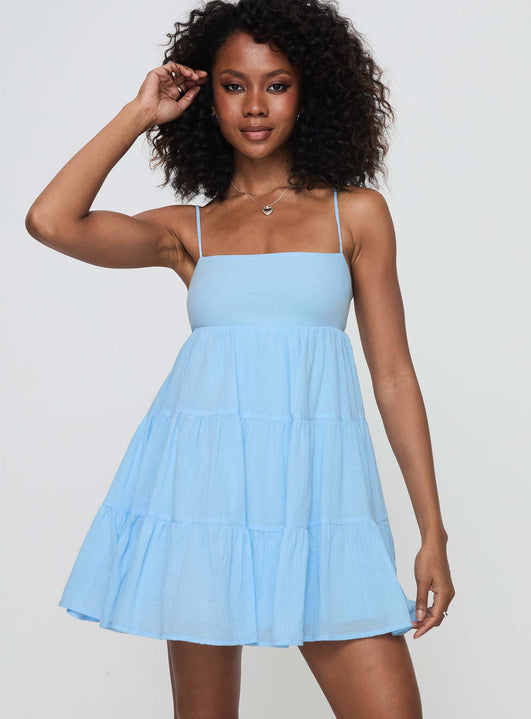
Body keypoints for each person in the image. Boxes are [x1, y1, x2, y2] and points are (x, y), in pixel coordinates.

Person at [25, 1, 455, 717]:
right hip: (202, 502)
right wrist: (140, 113)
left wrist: (431, 530)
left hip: (320, 503)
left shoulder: (355, 214)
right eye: (233, 85)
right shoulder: (188, 231)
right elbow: (50, 221)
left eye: (276, 85)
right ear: (209, 98)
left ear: (308, 93)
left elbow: (393, 376)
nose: (255, 106)